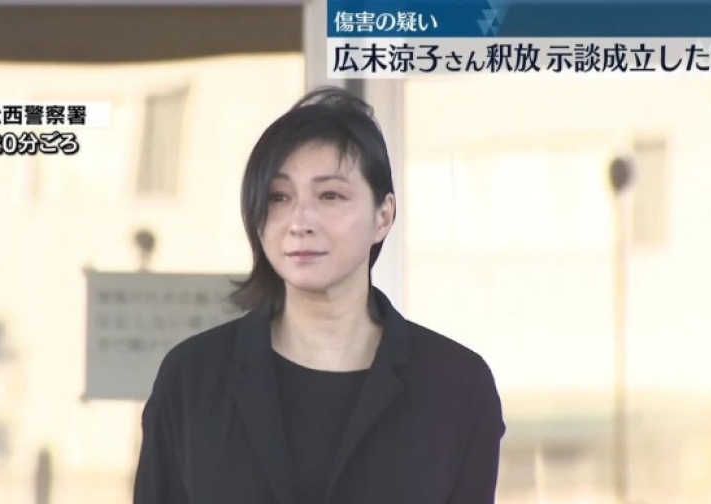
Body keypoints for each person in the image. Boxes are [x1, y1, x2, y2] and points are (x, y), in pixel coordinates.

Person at [133, 86, 505, 504]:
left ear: (383, 216)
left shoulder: (456, 385)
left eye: (330, 195)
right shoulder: (193, 378)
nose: (300, 221)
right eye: (279, 197)